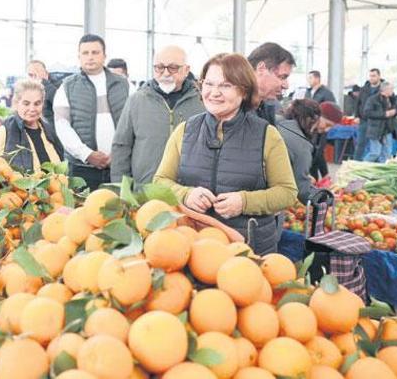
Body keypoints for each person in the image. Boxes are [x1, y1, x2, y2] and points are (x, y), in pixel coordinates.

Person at [154, 53, 297, 255]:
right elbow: (160, 181)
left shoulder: (267, 135)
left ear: (244, 91)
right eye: (209, 84)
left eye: (226, 85)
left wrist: (244, 202)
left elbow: (287, 193)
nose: (214, 92)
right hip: (194, 247)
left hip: (248, 248)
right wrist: (186, 194)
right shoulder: (185, 131)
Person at [111, 45, 204, 185]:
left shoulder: (202, 103)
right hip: (145, 192)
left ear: (186, 70)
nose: (166, 73)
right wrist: (121, 189)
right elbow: (121, 146)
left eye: (173, 68)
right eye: (159, 67)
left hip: (189, 194)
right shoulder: (137, 100)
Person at [53, 34, 129, 190]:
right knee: (83, 212)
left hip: (119, 167)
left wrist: (119, 154)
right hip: (82, 169)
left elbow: (136, 123)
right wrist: (87, 154)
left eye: (95, 52)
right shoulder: (67, 87)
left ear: (104, 56)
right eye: (85, 53)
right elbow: (62, 127)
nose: (90, 57)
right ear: (79, 56)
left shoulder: (124, 85)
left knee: (120, 211)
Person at [0, 79, 63, 172]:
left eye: (37, 103)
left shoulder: (49, 132)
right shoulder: (1, 133)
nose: (32, 109)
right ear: (16, 103)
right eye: (26, 103)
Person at [277, 99, 321, 204]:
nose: (317, 128)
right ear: (310, 119)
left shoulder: (274, 121)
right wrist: (324, 199)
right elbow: (303, 191)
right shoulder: (302, 145)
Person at [247, 42, 296, 126]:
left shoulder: (265, 108)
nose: (286, 86)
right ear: (261, 68)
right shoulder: (231, 111)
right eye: (282, 77)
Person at [363, 81, 397, 163]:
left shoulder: (392, 99)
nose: (392, 91)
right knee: (375, 153)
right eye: (391, 89)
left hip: (388, 129)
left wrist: (395, 111)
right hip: (375, 130)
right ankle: (359, 167)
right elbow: (367, 113)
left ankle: (382, 172)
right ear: (385, 90)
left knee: (387, 154)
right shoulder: (372, 99)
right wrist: (384, 114)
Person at [309, 102, 344, 180]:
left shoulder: (322, 132)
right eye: (327, 124)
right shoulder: (303, 131)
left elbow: (319, 153)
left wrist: (325, 174)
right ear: (317, 117)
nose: (327, 129)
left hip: (312, 175)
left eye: (331, 127)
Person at [355, 68, 383, 160]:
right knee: (360, 143)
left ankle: (371, 165)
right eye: (370, 76)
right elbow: (358, 103)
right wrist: (357, 116)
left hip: (377, 122)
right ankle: (356, 163)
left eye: (374, 76)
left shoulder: (383, 89)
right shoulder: (364, 89)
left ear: (379, 76)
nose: (372, 78)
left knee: (375, 147)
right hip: (364, 120)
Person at [27, 60, 60, 125]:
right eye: (30, 75)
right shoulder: (28, 90)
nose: (34, 77)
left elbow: (58, 101)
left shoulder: (58, 86)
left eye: (37, 73)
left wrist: (43, 82)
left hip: (52, 130)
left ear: (46, 73)